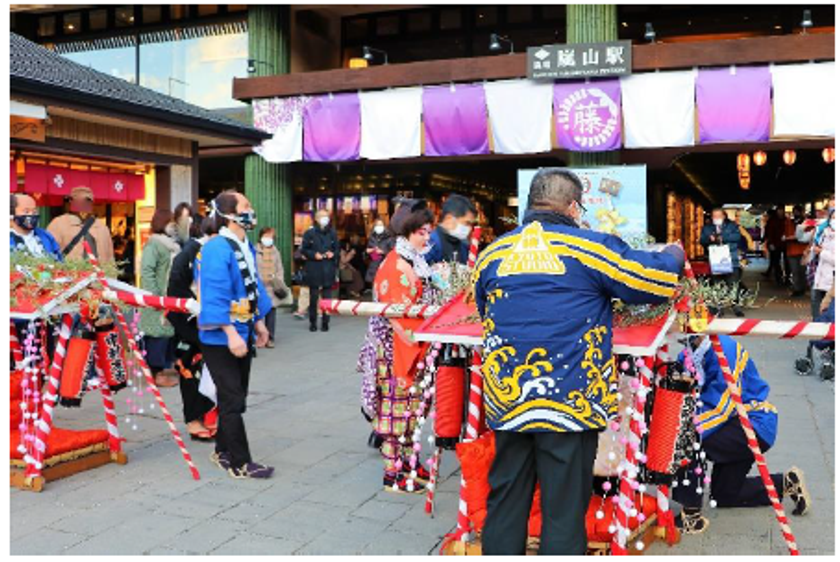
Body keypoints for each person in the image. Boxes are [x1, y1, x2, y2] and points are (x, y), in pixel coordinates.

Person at [473, 168, 684, 555]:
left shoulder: (492, 253)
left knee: (505, 497)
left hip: (509, 400)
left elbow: (484, 309)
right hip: (569, 401)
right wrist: (673, 255)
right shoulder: (589, 248)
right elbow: (651, 283)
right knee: (563, 508)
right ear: (573, 207)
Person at [673, 335, 811, 533]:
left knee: (689, 439)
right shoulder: (687, 352)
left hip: (751, 423)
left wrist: (683, 427)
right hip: (728, 423)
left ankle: (691, 515)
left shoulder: (724, 349)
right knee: (723, 495)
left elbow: (722, 406)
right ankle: (785, 483)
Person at [358, 199, 436, 492]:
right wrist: (417, 342)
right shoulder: (395, 264)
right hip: (397, 348)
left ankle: (410, 464)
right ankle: (394, 471)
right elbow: (397, 316)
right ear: (407, 232)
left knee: (412, 410)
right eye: (422, 232)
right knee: (396, 411)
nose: (427, 238)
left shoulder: (413, 261)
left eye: (428, 232)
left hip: (413, 343)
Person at [196, 191, 273, 479]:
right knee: (231, 400)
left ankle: (222, 451)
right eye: (245, 206)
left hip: (243, 329)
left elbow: (255, 287)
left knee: (235, 396)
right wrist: (230, 333)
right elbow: (214, 293)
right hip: (222, 337)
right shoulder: (217, 247)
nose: (250, 211)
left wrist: (260, 323)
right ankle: (241, 463)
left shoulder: (243, 244)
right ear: (229, 214)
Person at [167, 216, 218, 441]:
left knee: (212, 369)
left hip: (209, 318)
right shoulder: (190, 252)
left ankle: (209, 414)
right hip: (190, 320)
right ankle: (193, 419)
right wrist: (194, 309)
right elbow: (176, 285)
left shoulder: (212, 250)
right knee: (191, 367)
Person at [140, 209, 181, 389]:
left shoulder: (170, 244)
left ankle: (163, 370)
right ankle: (156, 374)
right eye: (171, 221)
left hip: (168, 298)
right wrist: (155, 296)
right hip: (156, 299)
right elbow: (147, 270)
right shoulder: (154, 244)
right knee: (157, 335)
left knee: (166, 335)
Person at [47, 186, 114, 263]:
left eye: (87, 201)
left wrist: (111, 273)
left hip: (99, 273)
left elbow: (110, 257)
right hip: (70, 273)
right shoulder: (59, 224)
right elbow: (48, 253)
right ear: (71, 202)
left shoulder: (101, 227)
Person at [700, 208, 744, 317]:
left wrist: (722, 237)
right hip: (715, 260)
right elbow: (701, 240)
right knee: (717, 284)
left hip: (730, 258)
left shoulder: (732, 226)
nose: (716, 219)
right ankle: (718, 308)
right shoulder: (707, 228)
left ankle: (736, 306)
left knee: (733, 283)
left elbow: (737, 237)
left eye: (718, 216)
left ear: (724, 216)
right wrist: (709, 239)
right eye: (714, 216)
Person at [300, 209, 339, 332]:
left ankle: (325, 322)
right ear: (316, 219)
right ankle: (313, 322)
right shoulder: (309, 233)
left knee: (327, 298)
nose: (325, 219)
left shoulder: (332, 233)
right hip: (314, 268)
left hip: (328, 268)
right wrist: (313, 254)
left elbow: (337, 249)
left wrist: (332, 254)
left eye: (326, 216)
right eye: (322, 216)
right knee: (314, 297)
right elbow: (304, 249)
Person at [256, 227, 290, 348]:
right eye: (266, 236)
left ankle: (270, 338)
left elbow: (280, 268)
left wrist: (278, 281)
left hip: (272, 287)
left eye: (271, 236)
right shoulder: (255, 251)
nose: (268, 239)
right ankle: (258, 337)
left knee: (271, 313)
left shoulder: (276, 252)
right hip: (258, 286)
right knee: (257, 312)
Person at [426, 193, 476, 265]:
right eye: (467, 223)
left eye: (471, 224)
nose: (470, 228)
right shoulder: (430, 245)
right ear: (449, 218)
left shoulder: (464, 246)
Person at [10, 193, 62, 260]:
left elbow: (59, 260)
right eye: (26, 211)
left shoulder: (45, 236)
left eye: (34, 211)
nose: (32, 215)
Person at [810, 209, 835, 320]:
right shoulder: (823, 234)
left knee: (827, 320)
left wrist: (822, 253)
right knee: (816, 317)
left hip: (831, 285)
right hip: (819, 280)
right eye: (832, 217)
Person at [783, 205, 809, 297]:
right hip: (793, 250)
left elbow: (809, 236)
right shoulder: (788, 222)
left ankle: (801, 288)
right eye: (795, 212)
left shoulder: (807, 223)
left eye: (798, 212)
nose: (796, 214)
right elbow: (785, 234)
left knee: (801, 271)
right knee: (795, 271)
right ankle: (798, 289)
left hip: (802, 250)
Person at [365, 217, 395, 288]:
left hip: (385, 267)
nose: (379, 227)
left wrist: (383, 252)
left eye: (381, 225)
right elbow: (366, 256)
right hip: (374, 266)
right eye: (377, 225)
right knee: (375, 289)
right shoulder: (372, 238)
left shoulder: (389, 238)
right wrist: (368, 251)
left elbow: (393, 253)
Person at [762, 207, 785, 286]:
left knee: (775, 260)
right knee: (776, 261)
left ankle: (778, 277)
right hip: (781, 243)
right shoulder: (783, 220)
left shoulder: (772, 221)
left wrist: (768, 241)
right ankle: (779, 277)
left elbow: (769, 232)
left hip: (776, 243)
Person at [292, 245, 310, 321]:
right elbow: (296, 255)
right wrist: (302, 256)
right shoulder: (304, 246)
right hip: (307, 273)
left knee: (314, 292)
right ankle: (301, 311)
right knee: (305, 291)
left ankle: (320, 310)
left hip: (316, 272)